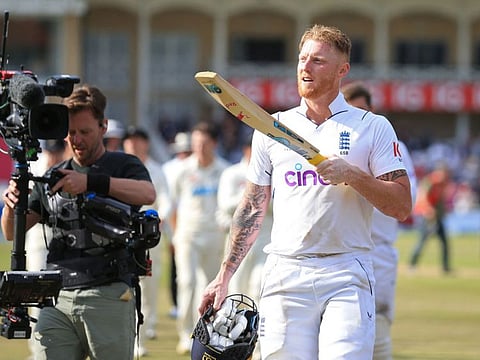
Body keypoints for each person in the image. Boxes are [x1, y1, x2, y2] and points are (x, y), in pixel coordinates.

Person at [198, 24, 412, 360]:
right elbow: (252, 208)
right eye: (302, 59)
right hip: (285, 271)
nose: (306, 67)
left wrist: (353, 175)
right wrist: (223, 276)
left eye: (318, 61)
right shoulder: (272, 129)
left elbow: (401, 205)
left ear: (343, 70)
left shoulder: (372, 126)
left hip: (346, 271)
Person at [1, 85, 156, 360]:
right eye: (71, 133)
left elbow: (147, 193)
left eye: (85, 132)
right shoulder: (53, 175)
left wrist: (90, 183)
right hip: (56, 297)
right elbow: (12, 232)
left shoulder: (123, 165)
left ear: (103, 127)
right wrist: (12, 204)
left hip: (109, 293)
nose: (77, 139)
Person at [342, 81, 418, 360]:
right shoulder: (335, 143)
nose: (356, 118)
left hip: (378, 250)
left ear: (372, 110)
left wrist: (360, 181)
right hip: (341, 251)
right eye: (349, 111)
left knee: (379, 331)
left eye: (361, 110)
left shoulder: (392, 145)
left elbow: (405, 201)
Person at [170, 121, 229, 355]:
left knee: (211, 288)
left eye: (204, 143)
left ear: (214, 143)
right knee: (186, 282)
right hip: (188, 235)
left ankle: (207, 333)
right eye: (196, 143)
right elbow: (172, 205)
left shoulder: (224, 170)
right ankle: (185, 334)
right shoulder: (183, 170)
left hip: (215, 235)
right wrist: (175, 235)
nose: (199, 148)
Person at [122, 126, 172, 357]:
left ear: (145, 144)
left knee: (149, 284)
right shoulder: (119, 168)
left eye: (137, 141)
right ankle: (132, 334)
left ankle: (147, 324)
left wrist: (158, 219)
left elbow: (166, 200)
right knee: (127, 285)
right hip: (124, 236)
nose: (133, 145)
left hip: (150, 236)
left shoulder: (156, 170)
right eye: (129, 141)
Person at [162, 132, 192, 319]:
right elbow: (170, 202)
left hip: (191, 224)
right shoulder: (170, 169)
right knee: (175, 268)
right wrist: (172, 231)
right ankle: (175, 304)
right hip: (175, 222)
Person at [409, 164, 453, 274]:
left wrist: (442, 212)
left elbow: (440, 200)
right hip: (426, 215)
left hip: (437, 216)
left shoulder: (443, 183)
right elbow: (423, 196)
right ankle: (412, 264)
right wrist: (428, 210)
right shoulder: (430, 181)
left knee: (444, 242)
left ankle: (445, 267)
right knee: (422, 241)